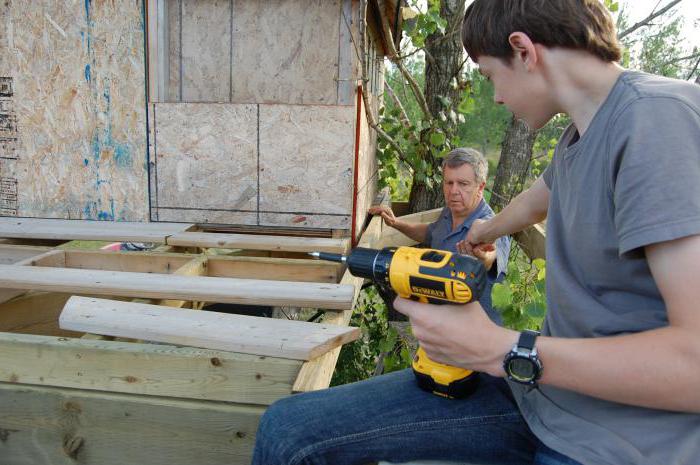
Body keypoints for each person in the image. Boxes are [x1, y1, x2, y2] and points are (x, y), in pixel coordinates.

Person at [252, 1, 700, 464]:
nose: (497, 98)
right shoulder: (580, 136)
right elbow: (538, 197)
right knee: (288, 431)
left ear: (523, 51)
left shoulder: (658, 121)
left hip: (613, 443)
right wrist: (484, 229)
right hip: (542, 398)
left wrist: (500, 349)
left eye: (489, 76)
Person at [368, 147, 510, 324]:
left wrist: (481, 257)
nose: (453, 191)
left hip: (476, 336)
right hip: (442, 325)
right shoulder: (450, 212)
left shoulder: (493, 227)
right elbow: (430, 233)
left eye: (463, 184)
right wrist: (396, 223)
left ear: (480, 187)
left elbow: (491, 255)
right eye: (449, 183)